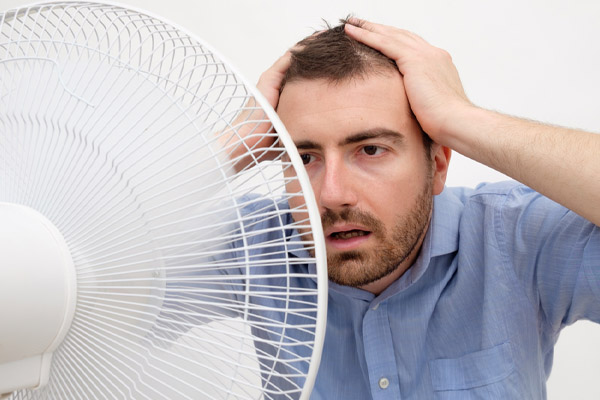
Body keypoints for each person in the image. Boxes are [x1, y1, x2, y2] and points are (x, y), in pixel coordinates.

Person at [228, 17, 600, 398]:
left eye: (370, 150)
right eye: (304, 157)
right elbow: (159, 244)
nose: (332, 194)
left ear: (438, 165)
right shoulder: (254, 245)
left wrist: (460, 118)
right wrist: (233, 143)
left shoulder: (516, 239)